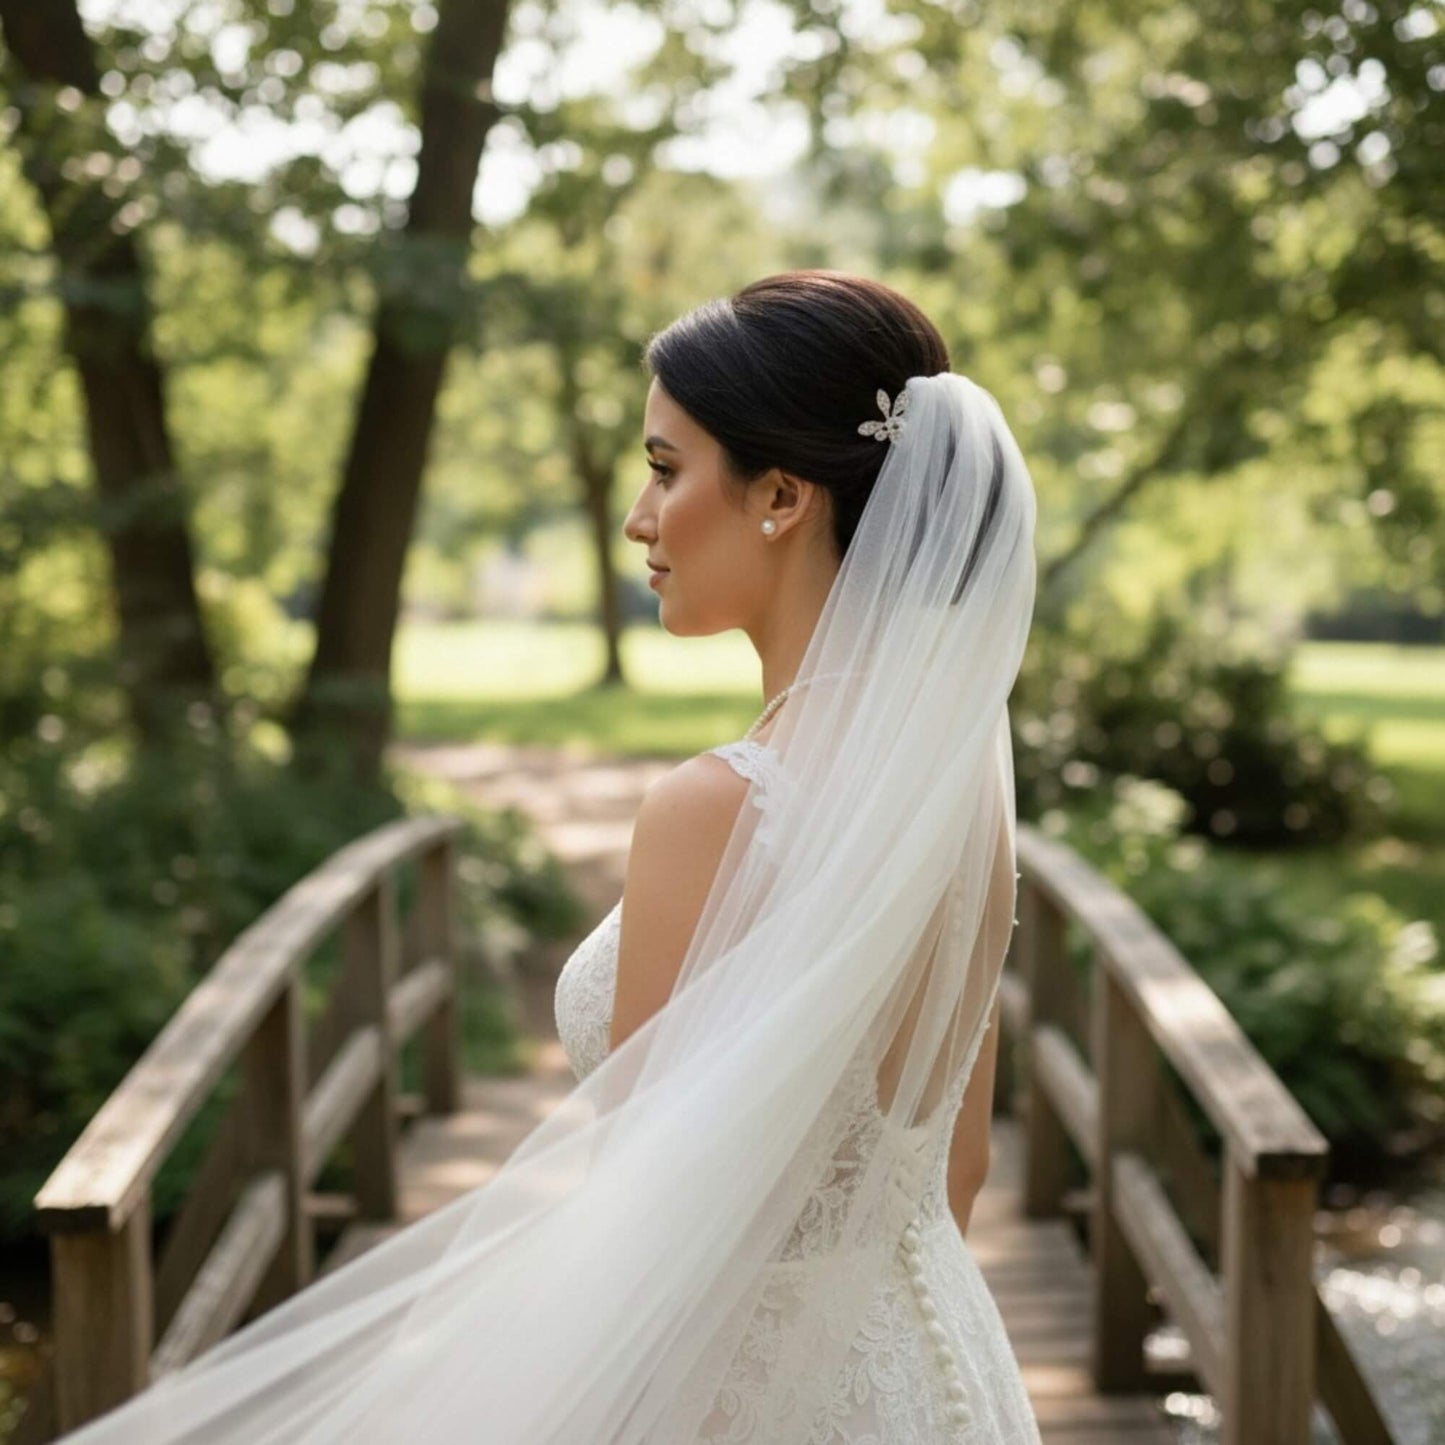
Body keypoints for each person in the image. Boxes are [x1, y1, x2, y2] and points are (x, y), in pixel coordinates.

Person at [55, 270, 1041, 1443]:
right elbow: (959, 1165)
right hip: (935, 1372)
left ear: (781, 494)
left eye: (667, 467)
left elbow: (645, 1239)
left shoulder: (716, 806)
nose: (636, 514)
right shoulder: (953, 799)